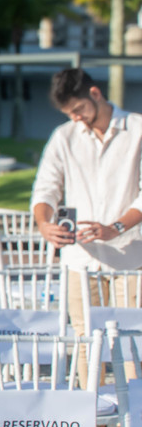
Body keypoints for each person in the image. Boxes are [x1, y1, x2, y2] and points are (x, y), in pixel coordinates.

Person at [33, 67, 142, 385]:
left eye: (78, 110)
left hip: (130, 258)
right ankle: (90, 425)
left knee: (131, 341)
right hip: (80, 260)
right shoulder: (63, 137)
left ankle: (133, 425)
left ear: (95, 94)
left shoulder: (137, 129)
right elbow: (45, 189)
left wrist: (116, 227)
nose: (76, 118)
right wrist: (44, 224)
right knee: (84, 342)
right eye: (70, 114)